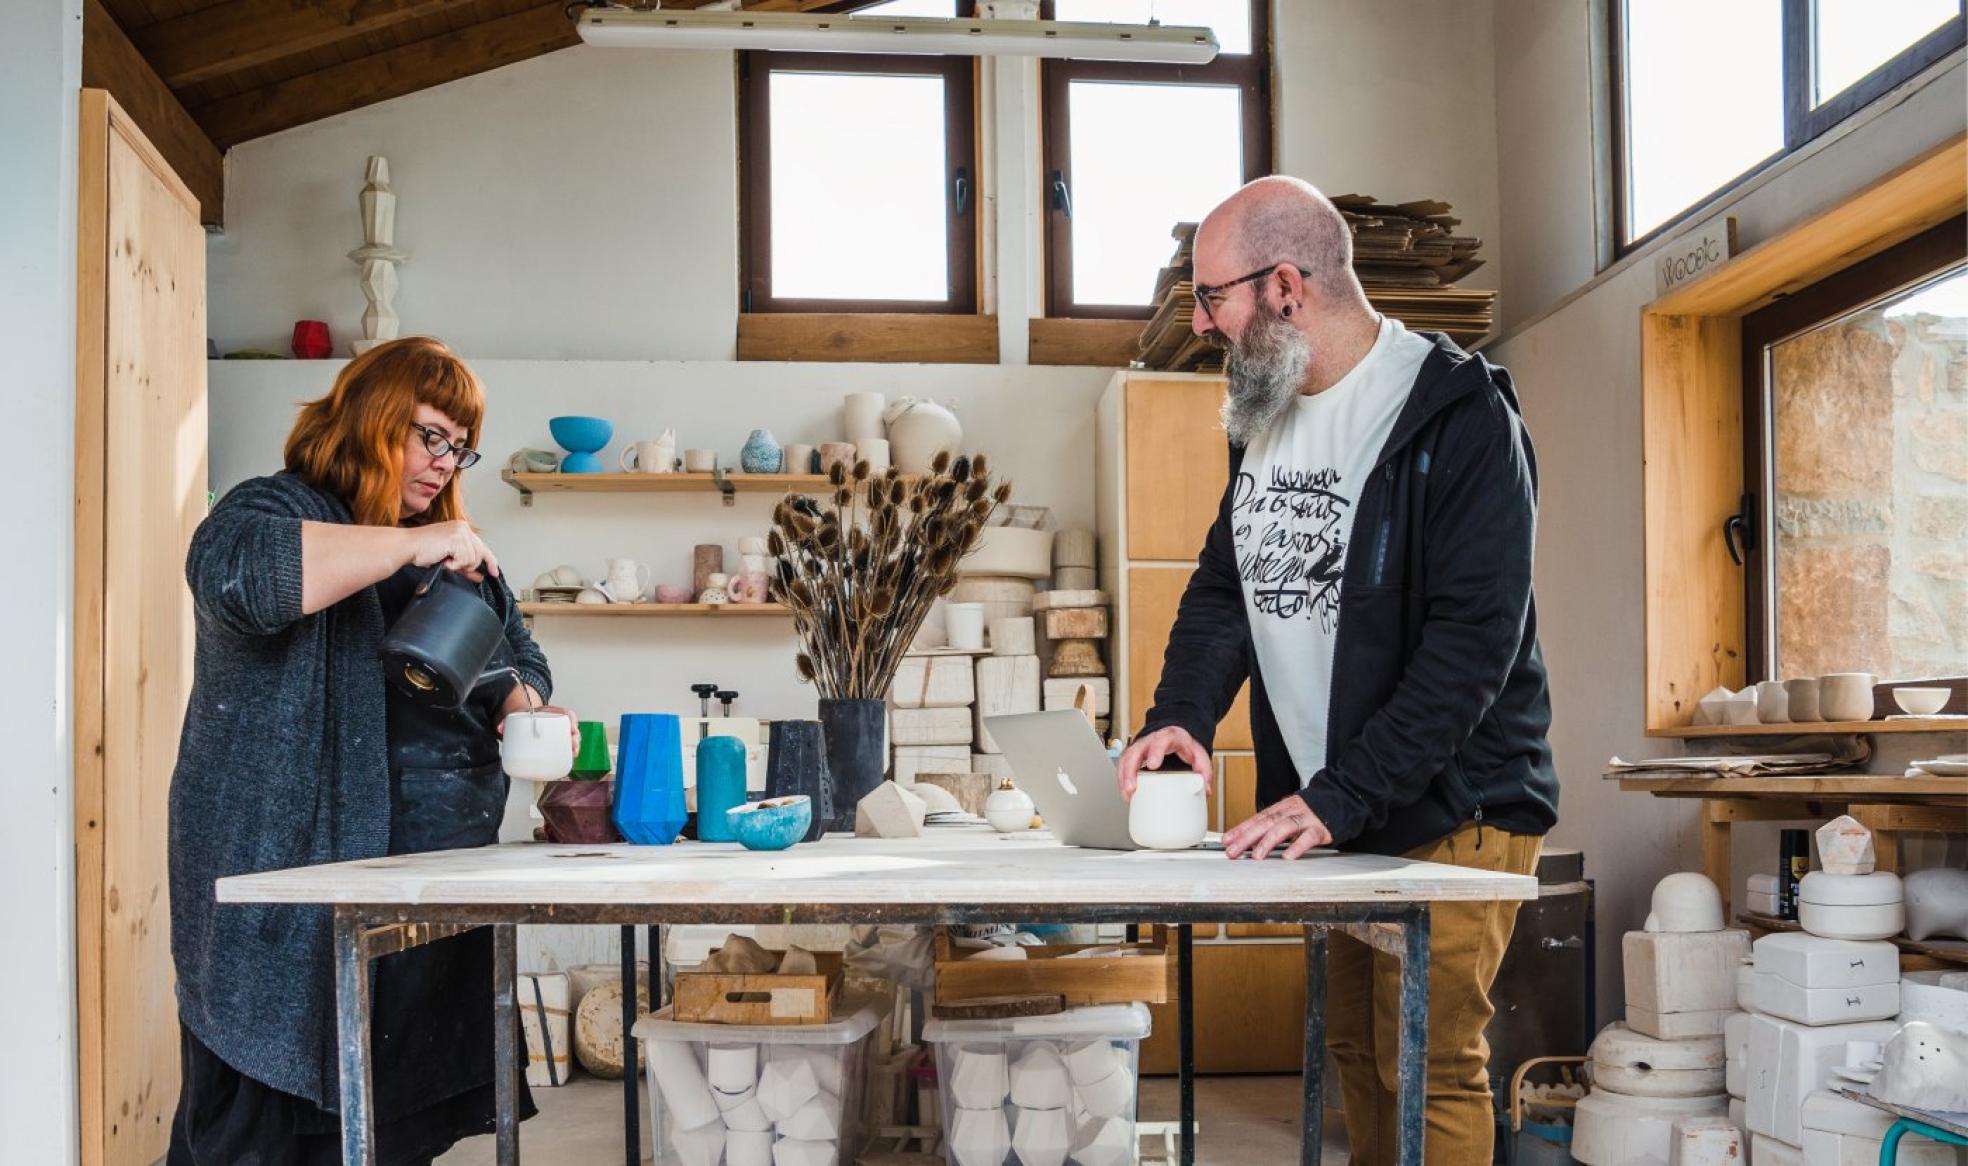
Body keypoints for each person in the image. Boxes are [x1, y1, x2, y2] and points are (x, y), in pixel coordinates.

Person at [1115, 177, 1558, 1166]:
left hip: (1454, 805)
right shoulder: (1265, 415)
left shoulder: (1459, 415)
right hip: (1346, 808)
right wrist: (1180, 711)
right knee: (1359, 1048)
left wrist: (1338, 793)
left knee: (1428, 1065)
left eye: (1212, 297)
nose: (1199, 321)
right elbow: (1227, 585)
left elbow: (1472, 643)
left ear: (1282, 286)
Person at [167, 337, 573, 1164]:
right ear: (369, 416)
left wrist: (521, 703)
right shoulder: (270, 511)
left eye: (460, 447)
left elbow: (521, 658)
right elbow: (242, 577)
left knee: (390, 1134)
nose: (444, 462)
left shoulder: (450, 549)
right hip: (295, 896)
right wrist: (407, 543)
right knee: (265, 1137)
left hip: (422, 903)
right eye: (431, 435)